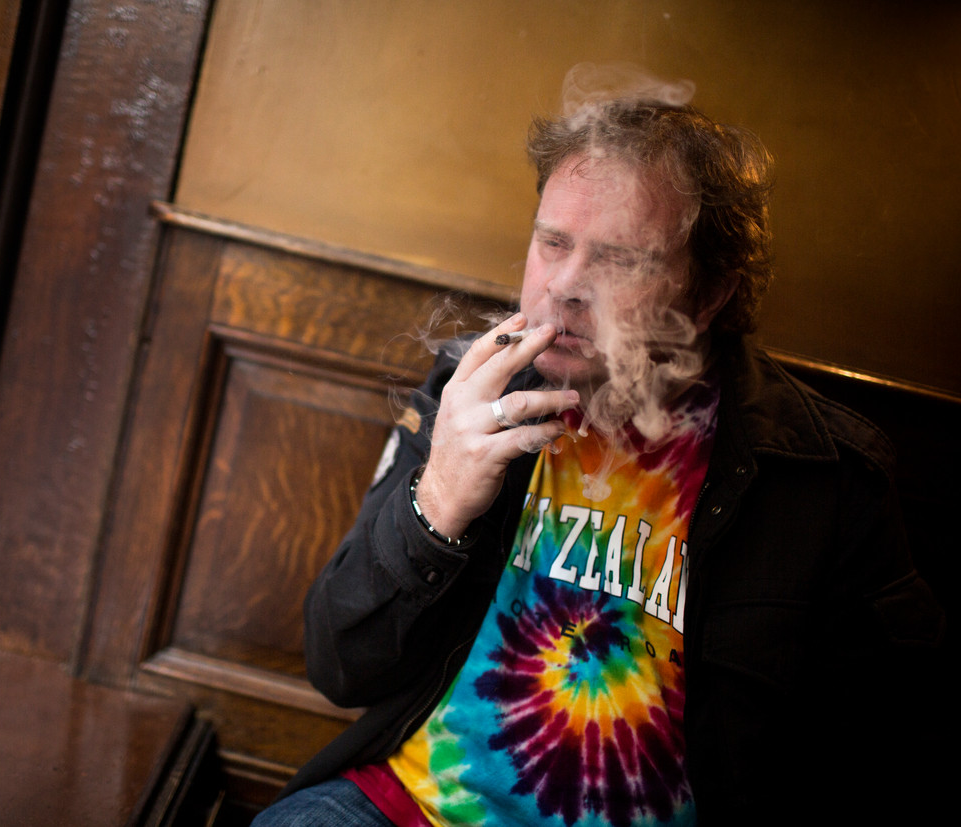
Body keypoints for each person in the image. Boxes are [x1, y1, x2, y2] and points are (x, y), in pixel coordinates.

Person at [253, 93, 943, 826]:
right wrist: (439, 501)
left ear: (708, 294)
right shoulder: (470, 393)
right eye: (552, 242)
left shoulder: (825, 478)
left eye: (618, 258)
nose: (564, 286)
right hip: (406, 808)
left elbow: (885, 756)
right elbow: (340, 666)